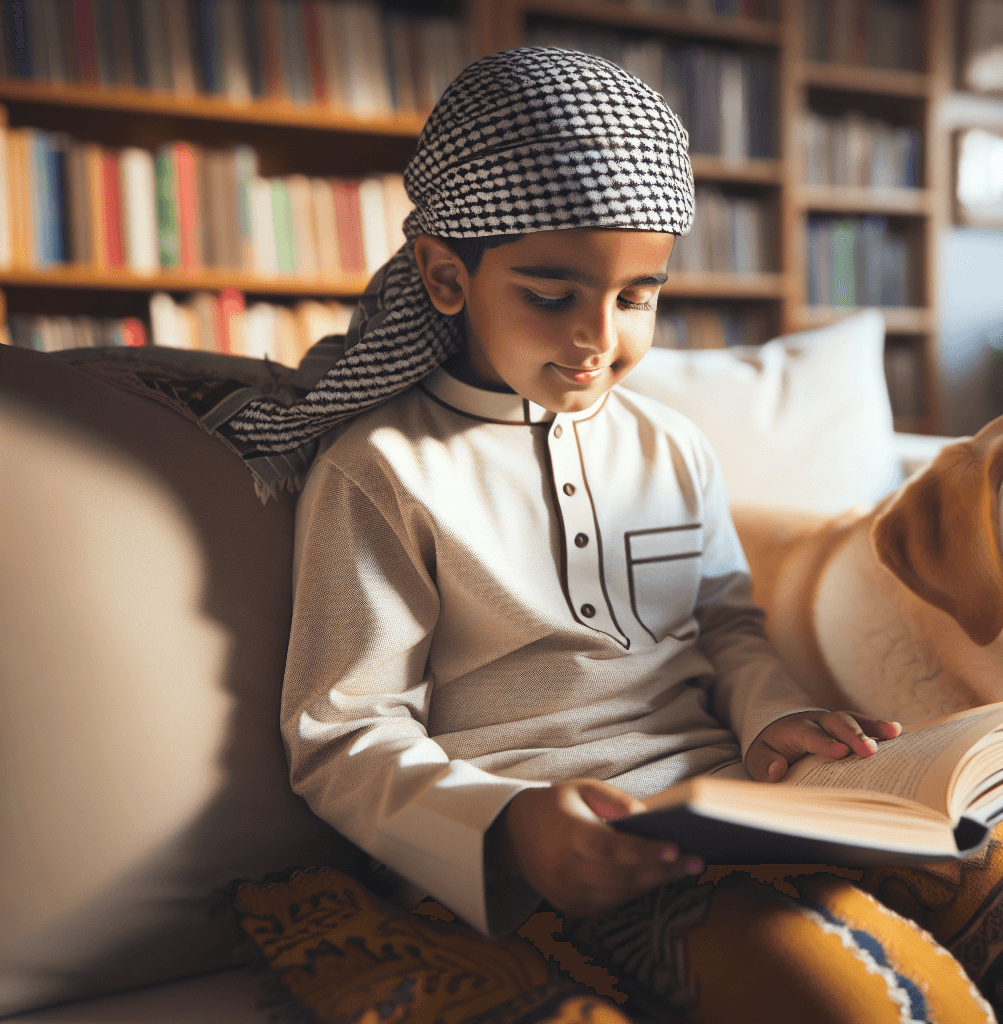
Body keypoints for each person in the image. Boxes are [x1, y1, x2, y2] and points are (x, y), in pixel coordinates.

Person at [270, 47, 898, 936]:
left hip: (730, 811)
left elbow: (726, 630)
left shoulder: (673, 447)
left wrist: (777, 717)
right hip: (545, 864)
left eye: (636, 298)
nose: (598, 338)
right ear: (446, 276)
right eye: (551, 295)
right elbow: (345, 736)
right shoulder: (382, 470)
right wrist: (508, 830)